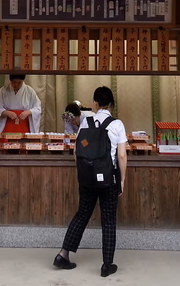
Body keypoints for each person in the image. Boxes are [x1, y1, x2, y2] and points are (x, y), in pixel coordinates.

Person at [54, 86, 128, 278]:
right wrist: (122, 180)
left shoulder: (86, 123)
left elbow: (77, 152)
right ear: (111, 104)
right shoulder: (117, 124)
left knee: (82, 214)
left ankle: (63, 255)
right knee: (109, 219)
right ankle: (107, 265)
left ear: (95, 103)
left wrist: (85, 173)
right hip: (109, 178)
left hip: (87, 178)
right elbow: (121, 155)